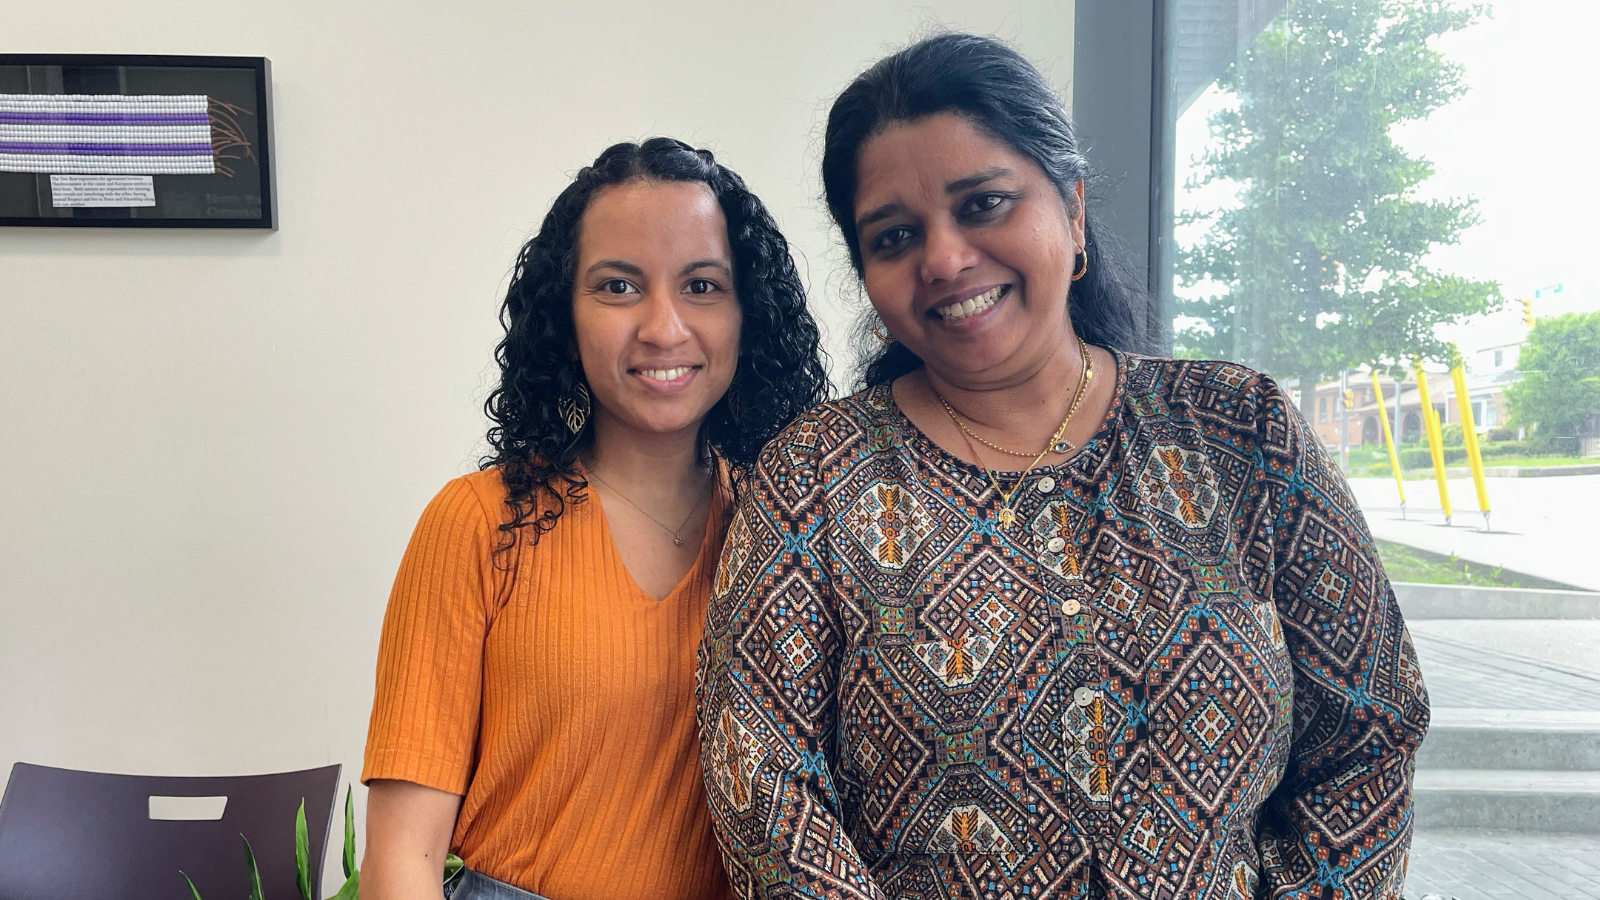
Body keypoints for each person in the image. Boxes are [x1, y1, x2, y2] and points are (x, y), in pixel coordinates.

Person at [697, 34, 1428, 899]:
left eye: (984, 204)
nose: (943, 257)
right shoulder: (813, 478)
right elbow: (763, 786)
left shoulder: (1241, 433)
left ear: (1072, 211)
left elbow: (1370, 736)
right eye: (895, 236)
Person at [361, 138, 828, 900]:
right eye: (618, 286)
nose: (664, 327)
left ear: (751, 315)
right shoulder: (479, 521)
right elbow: (400, 863)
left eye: (703, 285)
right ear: (563, 316)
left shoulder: (789, 532)